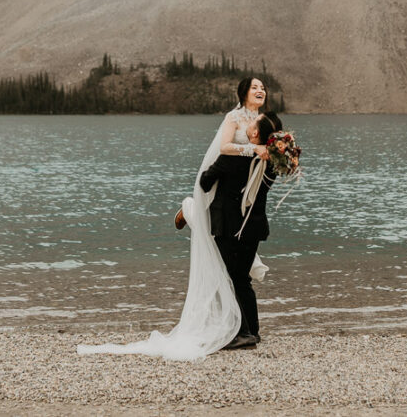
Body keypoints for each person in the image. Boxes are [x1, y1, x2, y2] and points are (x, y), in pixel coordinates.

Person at [77, 77, 276, 360]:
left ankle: (248, 330)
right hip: (229, 189)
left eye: (263, 88)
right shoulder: (234, 118)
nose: (261, 91)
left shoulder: (264, 121)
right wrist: (253, 149)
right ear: (244, 92)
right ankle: (191, 212)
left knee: (237, 269)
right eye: (255, 87)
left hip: (249, 198)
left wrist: (279, 155)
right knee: (227, 255)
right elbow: (224, 148)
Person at [199, 112, 278, 349]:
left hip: (229, 226)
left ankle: (243, 332)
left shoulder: (231, 159)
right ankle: (253, 331)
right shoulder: (271, 163)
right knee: (243, 279)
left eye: (253, 122)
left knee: (233, 278)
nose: (248, 124)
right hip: (254, 227)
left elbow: (205, 181)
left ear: (254, 134)